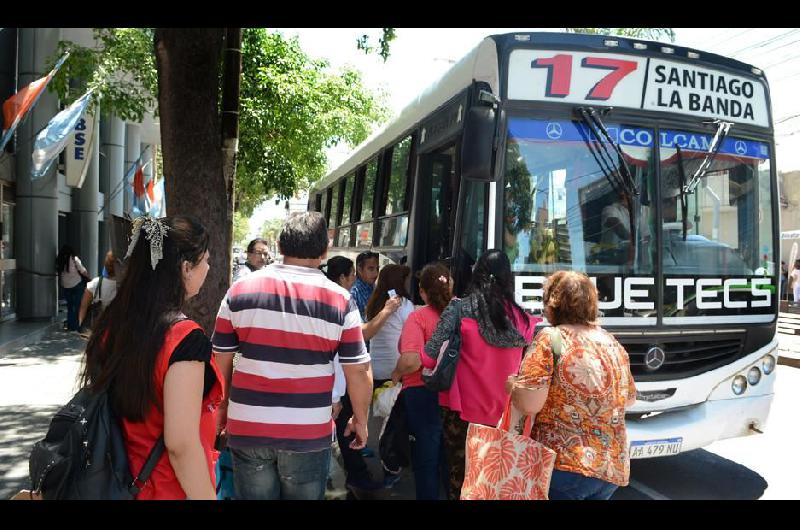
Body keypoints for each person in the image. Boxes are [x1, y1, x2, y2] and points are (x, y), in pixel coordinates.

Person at [212, 212, 373, 500]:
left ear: (281, 244)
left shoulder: (240, 290)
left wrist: (221, 409)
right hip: (308, 432)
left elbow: (220, 358)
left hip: (248, 425)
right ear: (324, 250)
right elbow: (358, 371)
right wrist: (360, 420)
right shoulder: (340, 300)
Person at [81, 215, 220, 499]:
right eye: (205, 259)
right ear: (185, 268)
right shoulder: (184, 340)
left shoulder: (112, 324)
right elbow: (181, 445)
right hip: (165, 488)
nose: (209, 267)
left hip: (112, 483)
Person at [509, 270, 637, 500]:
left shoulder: (551, 338)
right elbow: (629, 399)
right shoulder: (611, 342)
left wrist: (513, 388)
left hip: (564, 465)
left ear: (553, 304)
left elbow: (529, 404)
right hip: (609, 467)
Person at [421, 249, 538, 500]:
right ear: (509, 278)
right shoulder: (524, 320)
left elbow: (428, 357)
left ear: (477, 274)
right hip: (508, 416)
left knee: (462, 483)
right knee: (500, 484)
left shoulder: (458, 309)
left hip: (462, 415)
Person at [391, 262, 453, 500]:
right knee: (450, 458)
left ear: (423, 291)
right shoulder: (462, 313)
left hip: (422, 392)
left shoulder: (418, 318)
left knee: (426, 459)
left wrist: (397, 374)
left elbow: (411, 360)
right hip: (456, 394)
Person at [78, 251, 119, 331]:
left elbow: (83, 307)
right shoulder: (124, 285)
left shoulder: (95, 283)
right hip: (117, 329)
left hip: (97, 329)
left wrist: (81, 325)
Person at [56, 245, 89, 331]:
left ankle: (71, 326)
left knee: (70, 307)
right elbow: (83, 271)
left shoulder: (60, 260)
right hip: (77, 285)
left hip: (66, 286)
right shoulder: (74, 259)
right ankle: (78, 326)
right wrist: (88, 276)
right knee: (78, 306)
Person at [351, 250, 380, 320]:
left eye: (377, 269)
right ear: (360, 269)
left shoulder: (374, 287)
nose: (376, 273)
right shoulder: (354, 292)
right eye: (371, 269)